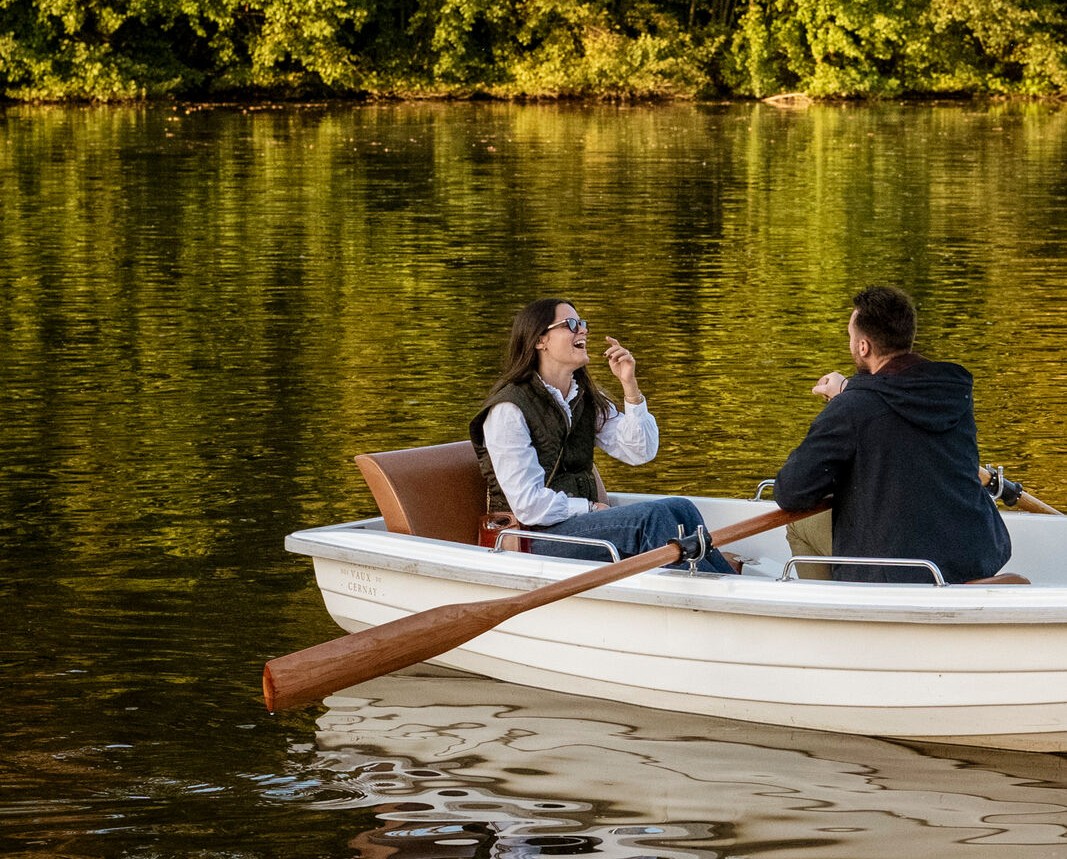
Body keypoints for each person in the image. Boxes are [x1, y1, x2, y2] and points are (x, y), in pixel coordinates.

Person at [469, 298, 734, 573]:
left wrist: (630, 386)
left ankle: (726, 588)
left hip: (575, 526)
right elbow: (528, 506)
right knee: (652, 519)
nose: (583, 330)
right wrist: (591, 509)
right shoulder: (508, 409)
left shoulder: (584, 396)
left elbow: (639, 452)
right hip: (529, 538)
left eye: (582, 324)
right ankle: (719, 597)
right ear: (540, 340)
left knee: (682, 508)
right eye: (571, 324)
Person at [774, 285, 1011, 584]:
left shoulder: (852, 409)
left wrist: (846, 399)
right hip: (973, 555)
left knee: (801, 523)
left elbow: (790, 492)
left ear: (863, 347)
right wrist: (847, 391)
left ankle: (834, 614)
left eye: (850, 337)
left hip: (898, 570)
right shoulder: (951, 393)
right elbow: (891, 408)